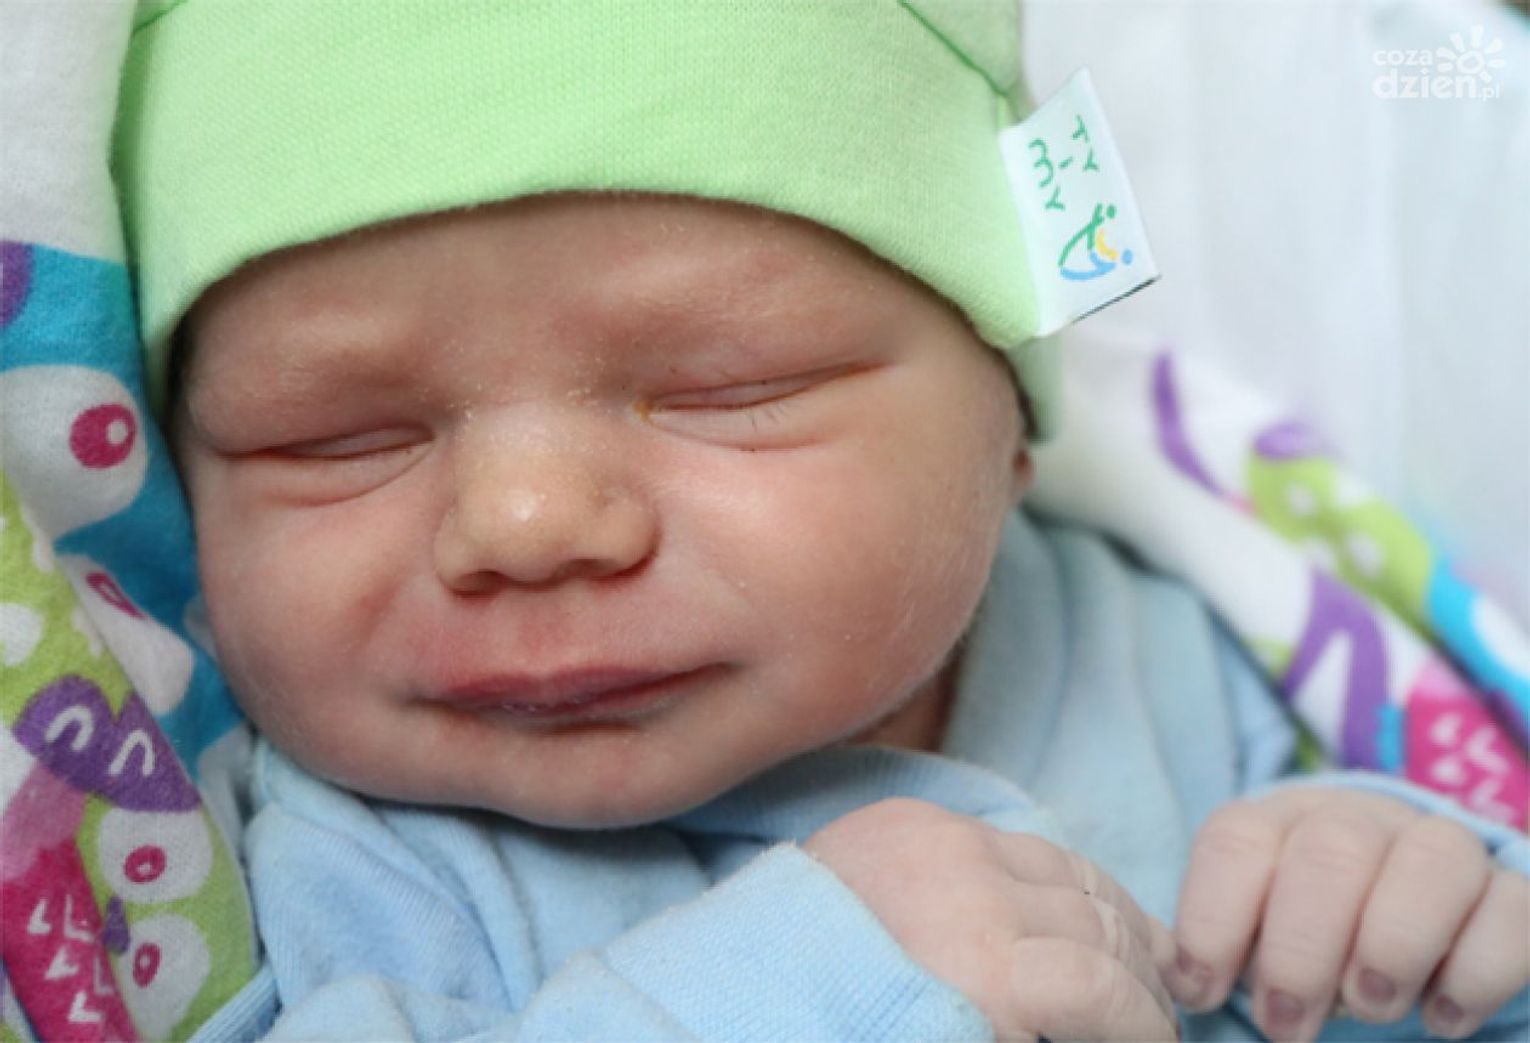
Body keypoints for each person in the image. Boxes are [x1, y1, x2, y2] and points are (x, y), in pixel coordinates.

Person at [112, 3, 1528, 1040]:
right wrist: (788, 994)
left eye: (728, 391)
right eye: (337, 439)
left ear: (1008, 427)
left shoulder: (1164, 658)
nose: (528, 521)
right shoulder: (351, 863)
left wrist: (1407, 906)